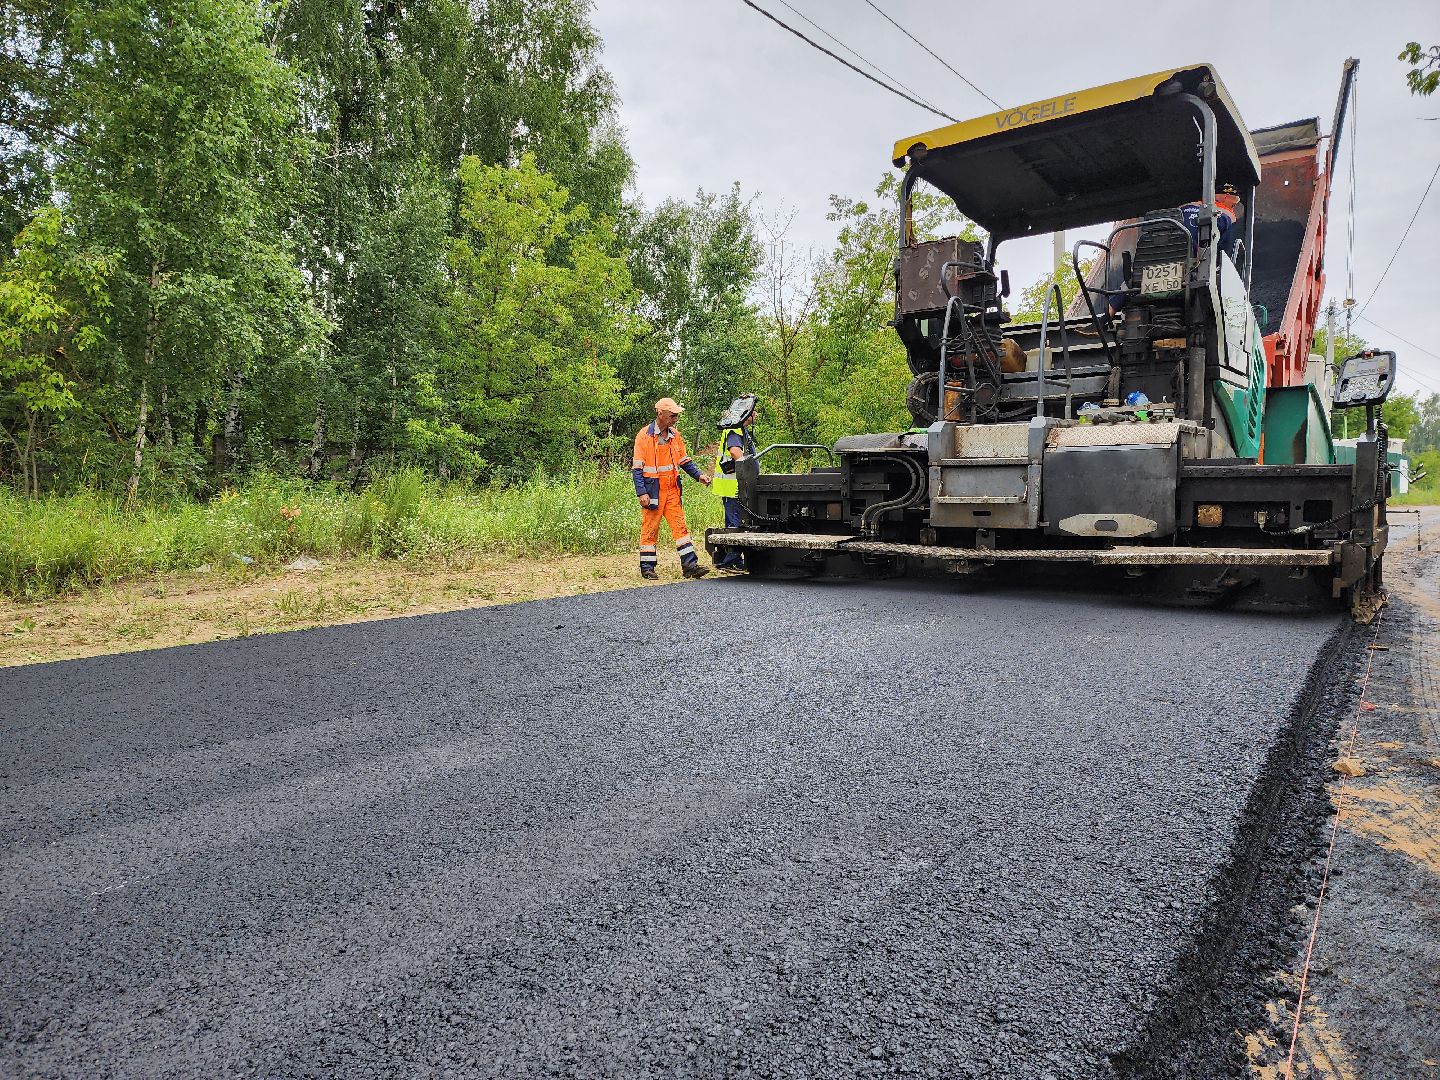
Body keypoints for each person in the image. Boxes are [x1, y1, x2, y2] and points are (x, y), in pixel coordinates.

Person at [633, 397, 711, 580]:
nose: (675, 419)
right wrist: (641, 492)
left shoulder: (675, 436)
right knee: (650, 529)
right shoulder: (644, 436)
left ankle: (690, 566)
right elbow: (637, 468)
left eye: (676, 416)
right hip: (653, 491)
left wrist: (699, 476)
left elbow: (685, 461)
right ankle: (647, 567)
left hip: (672, 490)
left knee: (681, 529)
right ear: (660, 414)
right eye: (672, 415)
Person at [711, 394, 759, 573]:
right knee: (734, 524)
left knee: (734, 522)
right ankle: (730, 560)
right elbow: (735, 453)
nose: (756, 415)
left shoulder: (739, 430)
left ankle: (733, 559)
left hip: (736, 486)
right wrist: (750, 467)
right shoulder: (734, 431)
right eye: (754, 412)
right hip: (733, 486)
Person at [1180, 182, 1244, 261]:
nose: (1233, 209)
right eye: (1233, 205)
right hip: (1196, 258)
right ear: (1226, 196)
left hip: (1169, 251)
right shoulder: (1227, 216)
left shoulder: (1184, 208)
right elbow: (1224, 251)